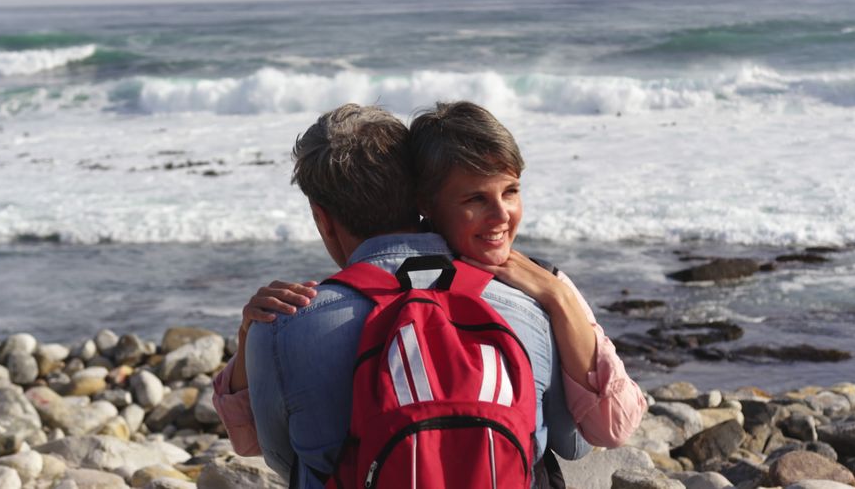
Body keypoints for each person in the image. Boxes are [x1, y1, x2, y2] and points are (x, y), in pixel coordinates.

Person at [212, 102, 646, 486]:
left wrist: (251, 336)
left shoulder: (283, 321)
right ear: (420, 198)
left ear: (322, 219)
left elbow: (270, 454)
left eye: (510, 191)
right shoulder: (530, 301)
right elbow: (573, 444)